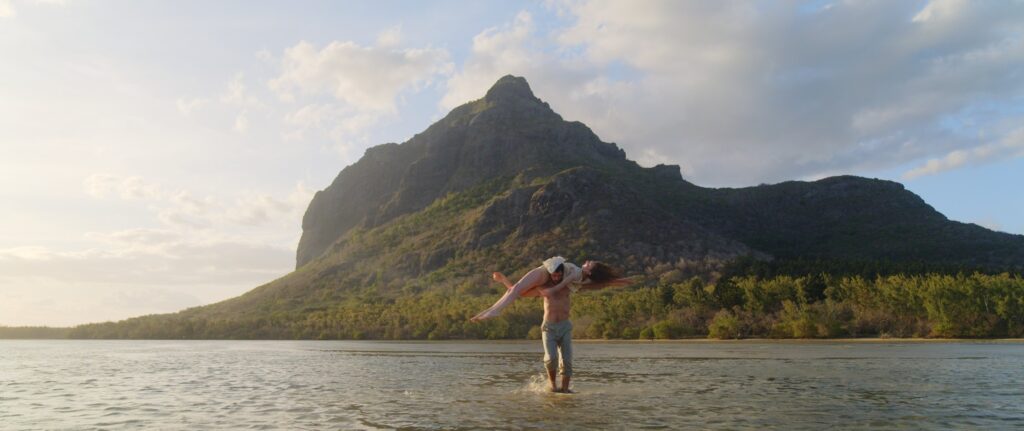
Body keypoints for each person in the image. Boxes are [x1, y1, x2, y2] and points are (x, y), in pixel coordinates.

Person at [472, 257, 633, 392]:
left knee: (567, 361)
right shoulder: (546, 286)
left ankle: (564, 391)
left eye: (558, 275)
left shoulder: (574, 284)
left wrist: (618, 281)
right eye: (553, 275)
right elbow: (519, 292)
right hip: (548, 326)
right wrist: (503, 280)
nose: (555, 277)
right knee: (551, 359)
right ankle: (552, 386)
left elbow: (597, 284)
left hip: (565, 326)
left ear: (562, 274)